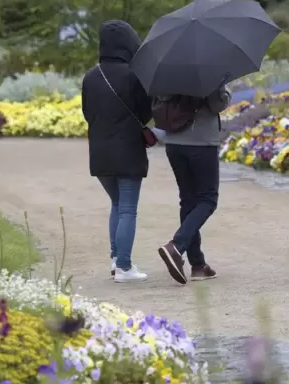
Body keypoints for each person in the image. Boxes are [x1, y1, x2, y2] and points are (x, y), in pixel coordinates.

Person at [81, 20, 152, 283]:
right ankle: (124, 266)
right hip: (129, 150)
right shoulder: (134, 75)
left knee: (116, 203)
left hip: (99, 151)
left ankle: (115, 259)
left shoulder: (91, 76)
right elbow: (146, 112)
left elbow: (87, 113)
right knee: (128, 209)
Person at [156, 86, 232, 285]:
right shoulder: (206, 70)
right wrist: (225, 92)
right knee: (207, 199)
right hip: (201, 142)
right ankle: (176, 246)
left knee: (188, 201)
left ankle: (198, 265)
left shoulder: (168, 71)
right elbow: (217, 104)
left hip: (173, 142)